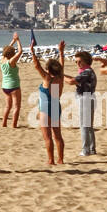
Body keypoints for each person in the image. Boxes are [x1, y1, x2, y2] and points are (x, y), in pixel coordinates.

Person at [31, 37, 64, 165]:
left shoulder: (47, 78)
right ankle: (60, 159)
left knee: (48, 137)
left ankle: (51, 160)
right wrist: (61, 52)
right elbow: (61, 65)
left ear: (48, 70)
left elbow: (36, 65)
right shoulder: (60, 77)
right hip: (56, 106)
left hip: (46, 108)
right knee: (58, 136)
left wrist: (32, 51)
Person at [68, 50, 107, 157]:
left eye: (79, 62)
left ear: (85, 61)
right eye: (76, 62)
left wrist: (59, 76)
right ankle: (92, 148)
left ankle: (86, 150)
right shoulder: (87, 72)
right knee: (89, 126)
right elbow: (75, 80)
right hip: (88, 98)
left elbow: (72, 81)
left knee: (84, 126)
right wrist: (62, 75)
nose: (77, 64)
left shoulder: (86, 72)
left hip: (85, 99)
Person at [0, 31, 23, 128]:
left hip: (5, 86)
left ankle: (4, 123)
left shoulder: (2, 59)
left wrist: (13, 40)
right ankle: (14, 125)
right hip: (14, 86)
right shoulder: (11, 61)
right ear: (11, 54)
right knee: (16, 106)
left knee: (8, 106)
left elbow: (7, 50)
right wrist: (18, 41)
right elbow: (20, 51)